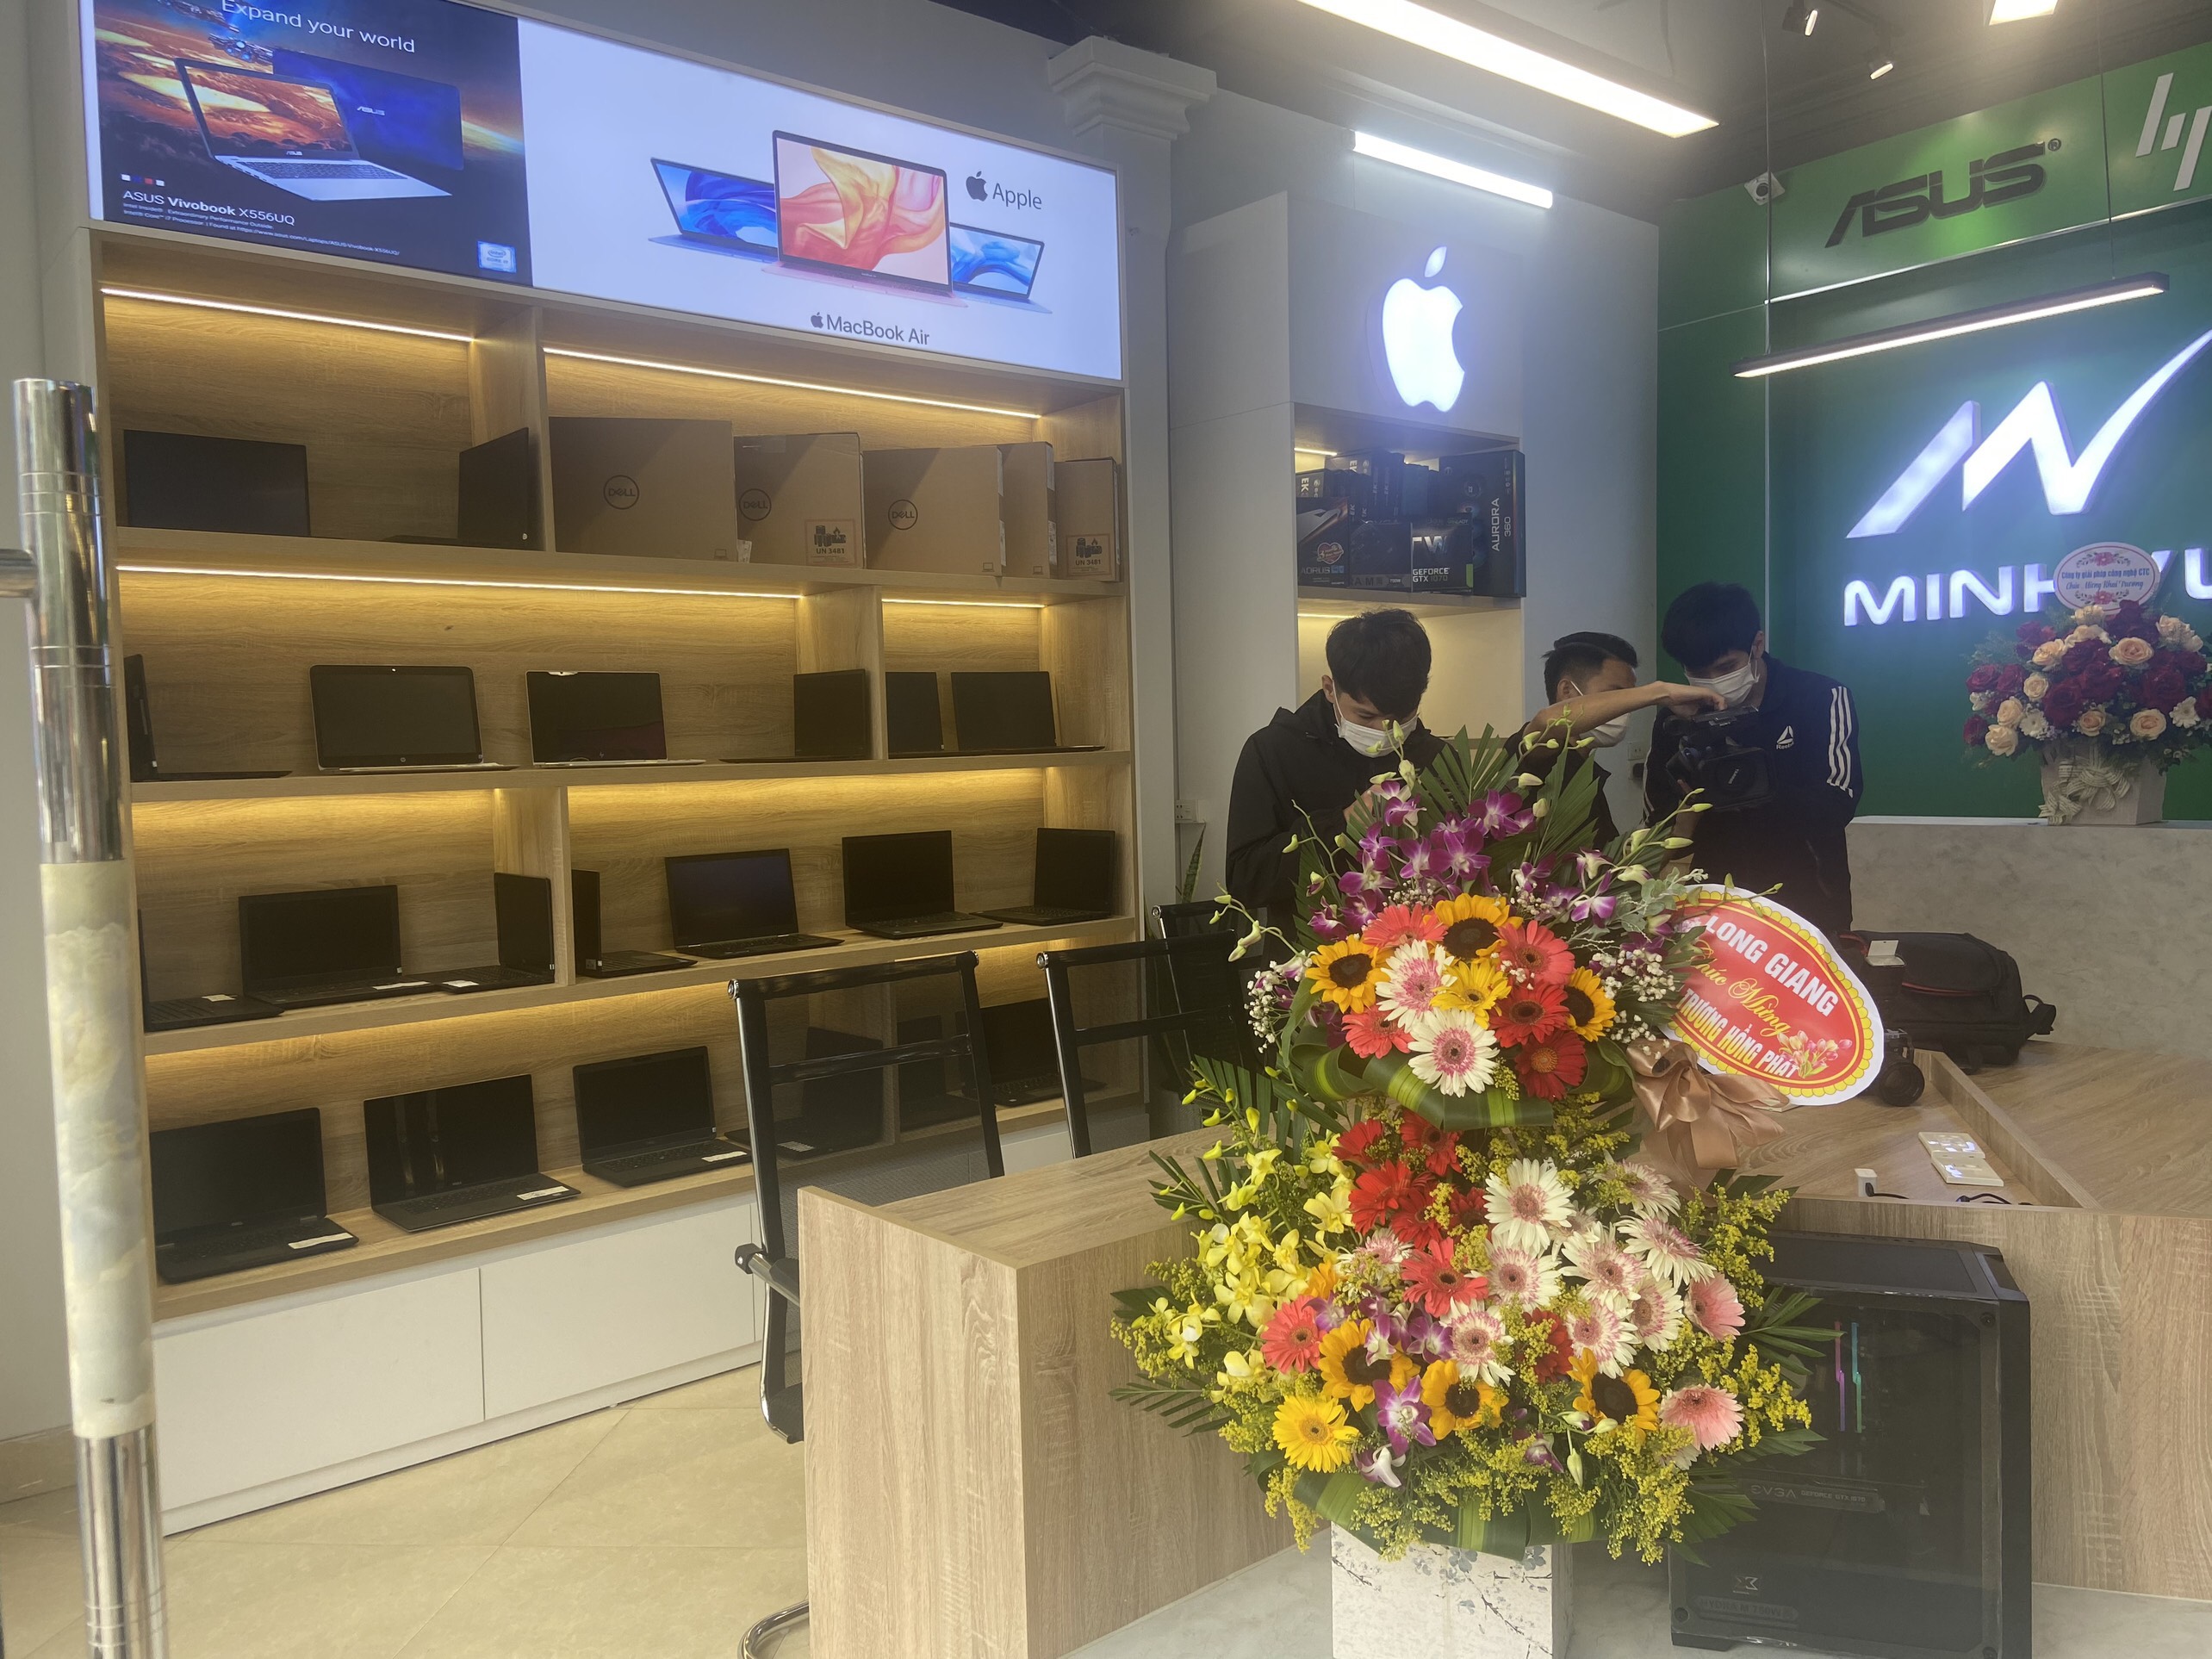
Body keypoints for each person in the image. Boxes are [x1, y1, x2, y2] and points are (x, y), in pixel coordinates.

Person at [1644, 581, 1863, 931]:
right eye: (1698, 673)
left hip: (1810, 898)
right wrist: (1691, 802)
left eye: (1726, 667)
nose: (1713, 681)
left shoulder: (1819, 697)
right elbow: (1656, 822)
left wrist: (1755, 779)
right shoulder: (1676, 720)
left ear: (1757, 645)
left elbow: (1838, 804)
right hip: (1714, 899)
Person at [1225, 607, 1444, 927]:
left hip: (1420, 949)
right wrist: (1344, 823)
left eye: (1400, 717)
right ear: (1330, 688)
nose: (1385, 731)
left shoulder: (1436, 758)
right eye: (1366, 716)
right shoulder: (1274, 750)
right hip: (1308, 952)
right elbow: (1245, 880)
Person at [1519, 631, 1723, 844]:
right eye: (1616, 694)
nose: (1625, 708)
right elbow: (1546, 721)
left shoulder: (1587, 775)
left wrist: (1682, 829)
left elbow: (1612, 862)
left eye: (1628, 695)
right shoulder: (1538, 757)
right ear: (1567, 691)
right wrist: (1660, 692)